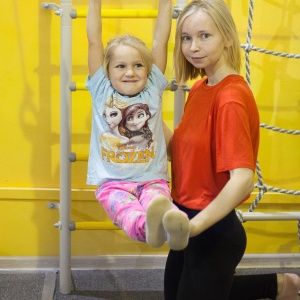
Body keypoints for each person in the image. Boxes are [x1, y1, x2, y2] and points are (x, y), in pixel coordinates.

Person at [162, 0, 300, 299]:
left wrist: (195, 226)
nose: (193, 46)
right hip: (185, 219)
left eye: (204, 36)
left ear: (226, 37)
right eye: (186, 37)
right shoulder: (200, 88)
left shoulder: (231, 97)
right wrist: (147, 114)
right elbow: (181, 153)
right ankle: (280, 285)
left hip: (211, 230)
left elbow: (243, 178)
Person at [85, 0, 189, 251]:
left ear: (149, 69)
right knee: (129, 213)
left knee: (160, 206)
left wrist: (166, 4)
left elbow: (160, 42)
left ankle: (174, 227)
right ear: (107, 71)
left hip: (152, 180)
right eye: (121, 66)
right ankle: (151, 229)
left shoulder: (152, 87)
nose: (130, 72)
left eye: (138, 65)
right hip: (112, 183)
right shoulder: (101, 89)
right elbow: (94, 41)